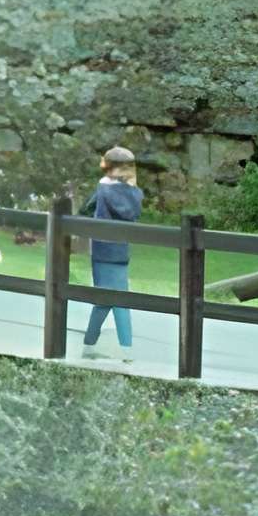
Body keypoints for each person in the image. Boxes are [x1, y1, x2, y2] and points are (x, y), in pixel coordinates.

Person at [79, 146, 143, 363]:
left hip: (101, 250)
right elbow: (132, 212)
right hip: (117, 251)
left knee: (104, 300)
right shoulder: (123, 191)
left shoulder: (103, 187)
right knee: (119, 301)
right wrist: (133, 187)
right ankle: (127, 351)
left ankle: (89, 344)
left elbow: (86, 208)